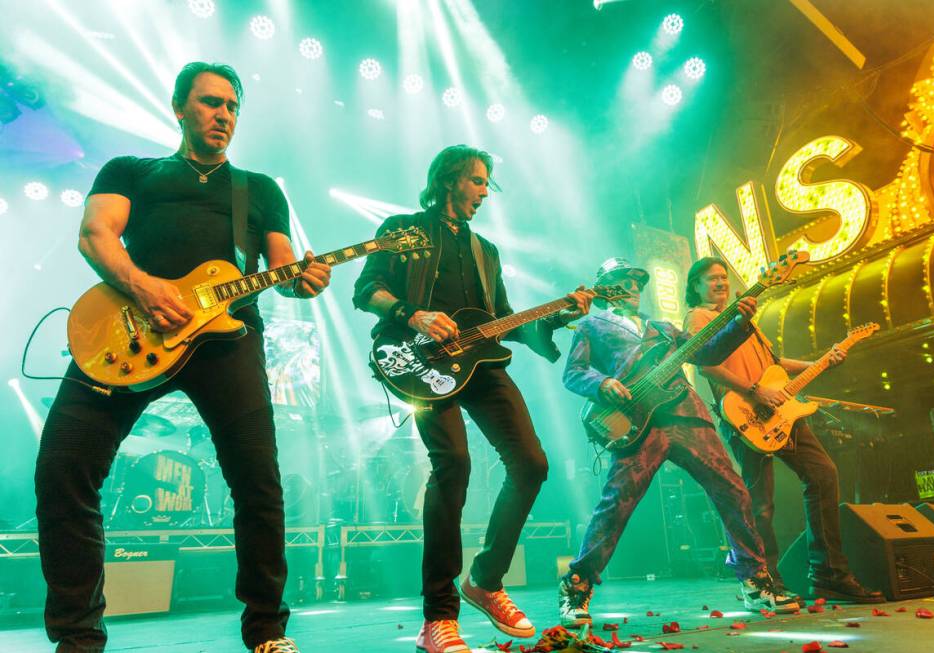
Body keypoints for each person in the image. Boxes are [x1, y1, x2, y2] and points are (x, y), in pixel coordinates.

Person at [34, 62, 331, 653]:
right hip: (129, 335)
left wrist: (302, 279)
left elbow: (280, 266)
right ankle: (77, 636)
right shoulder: (131, 171)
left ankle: (267, 628)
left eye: (233, 107)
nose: (224, 115)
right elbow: (96, 234)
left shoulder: (259, 189)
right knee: (62, 469)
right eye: (210, 103)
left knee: (259, 484)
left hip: (228, 341)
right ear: (178, 106)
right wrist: (146, 288)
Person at [352, 144, 592, 653]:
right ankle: (438, 617)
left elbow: (504, 319)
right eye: (479, 181)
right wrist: (412, 314)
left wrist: (559, 315)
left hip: (479, 363)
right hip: (418, 360)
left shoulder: (486, 250)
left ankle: (485, 579)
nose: (486, 191)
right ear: (450, 180)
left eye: (487, 183)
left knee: (531, 463)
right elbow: (366, 290)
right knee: (453, 464)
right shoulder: (403, 227)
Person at [557, 257, 799, 628]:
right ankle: (577, 584)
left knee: (733, 490)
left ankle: (754, 580)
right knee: (617, 504)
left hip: (686, 415)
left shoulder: (663, 328)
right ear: (606, 285)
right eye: (627, 279)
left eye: (639, 281)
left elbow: (708, 353)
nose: (636, 287)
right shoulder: (591, 324)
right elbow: (574, 372)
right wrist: (603, 384)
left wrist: (739, 321)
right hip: (638, 424)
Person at [684, 256, 884, 603]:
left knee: (823, 475)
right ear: (695, 286)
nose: (720, 282)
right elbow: (706, 367)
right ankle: (766, 579)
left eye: (723, 277)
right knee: (759, 503)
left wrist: (820, 362)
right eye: (710, 279)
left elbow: (773, 365)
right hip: (744, 413)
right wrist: (753, 391)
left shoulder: (743, 317)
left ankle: (828, 574)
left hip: (782, 411)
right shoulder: (699, 317)